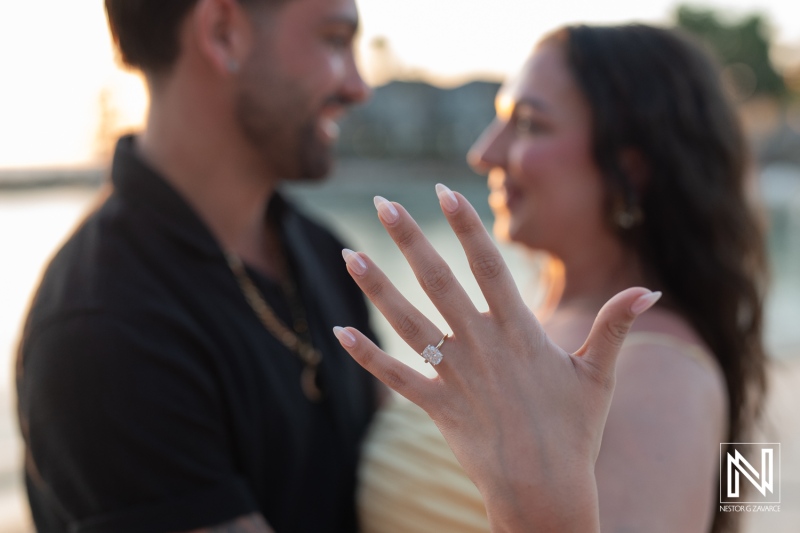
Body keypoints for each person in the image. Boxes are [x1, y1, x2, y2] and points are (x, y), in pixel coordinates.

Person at [336, 24, 768, 533]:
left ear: (628, 168)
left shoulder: (663, 372)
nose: (484, 153)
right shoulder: (531, 330)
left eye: (528, 125)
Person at [16, 0, 382, 531]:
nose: (357, 87)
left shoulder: (323, 251)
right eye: (333, 40)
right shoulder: (103, 328)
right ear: (223, 33)